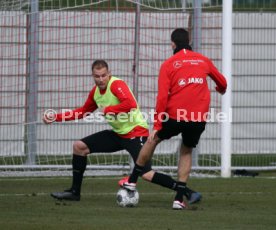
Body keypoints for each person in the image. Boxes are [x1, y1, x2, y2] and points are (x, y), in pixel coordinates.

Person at [43, 59, 193, 201]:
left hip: (136, 133)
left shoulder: (116, 84)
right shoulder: (95, 92)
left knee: (146, 174)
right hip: (118, 134)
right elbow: (82, 112)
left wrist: (109, 110)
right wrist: (55, 117)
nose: (101, 79)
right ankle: (74, 192)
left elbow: (130, 104)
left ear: (109, 74)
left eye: (103, 75)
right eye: (97, 76)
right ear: (92, 76)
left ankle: (185, 191)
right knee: (79, 147)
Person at [123, 28, 227, 210]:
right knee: (186, 151)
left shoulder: (169, 64)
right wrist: (220, 90)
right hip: (198, 117)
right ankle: (178, 200)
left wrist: (157, 124)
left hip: (175, 115)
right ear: (189, 41)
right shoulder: (203, 60)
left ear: (173, 43)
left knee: (153, 139)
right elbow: (223, 83)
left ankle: (132, 181)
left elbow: (162, 97)